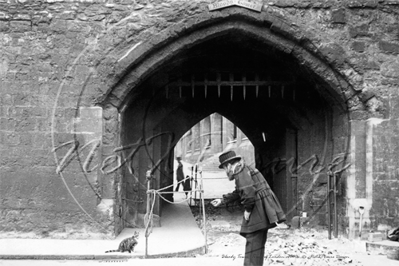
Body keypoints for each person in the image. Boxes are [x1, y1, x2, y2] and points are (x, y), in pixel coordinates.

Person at [211, 150, 287, 266]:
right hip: (262, 207)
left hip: (258, 208)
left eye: (225, 168)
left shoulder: (240, 171)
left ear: (229, 165)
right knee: (257, 245)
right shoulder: (244, 169)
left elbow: (248, 193)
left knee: (253, 243)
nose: (226, 172)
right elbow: (240, 191)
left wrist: (247, 210)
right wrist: (223, 200)